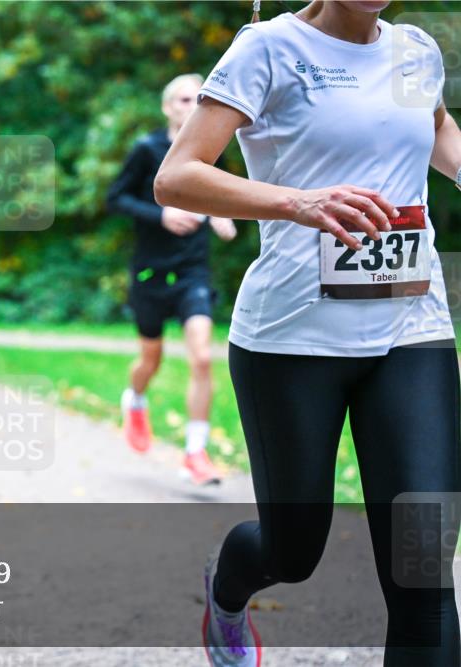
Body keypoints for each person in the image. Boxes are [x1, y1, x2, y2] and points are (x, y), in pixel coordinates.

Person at [154, 2, 461, 665]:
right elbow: (175, 177)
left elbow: (439, 134)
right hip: (292, 341)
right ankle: (228, 591)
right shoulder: (268, 48)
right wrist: (300, 201)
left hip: (414, 327)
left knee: (425, 574)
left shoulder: (416, 51)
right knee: (293, 551)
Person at [107, 73, 238, 486]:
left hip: (193, 270)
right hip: (150, 270)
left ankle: (195, 453)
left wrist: (222, 213)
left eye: (200, 99)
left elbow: (224, 194)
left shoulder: (212, 153)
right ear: (167, 107)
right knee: (151, 359)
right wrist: (160, 214)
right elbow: (116, 198)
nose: (192, 106)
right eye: (184, 99)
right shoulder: (148, 150)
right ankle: (136, 400)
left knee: (202, 356)